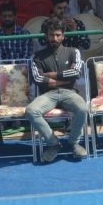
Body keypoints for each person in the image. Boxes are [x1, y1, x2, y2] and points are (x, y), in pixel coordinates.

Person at [27, 19, 88, 163]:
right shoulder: (37, 57)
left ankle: (73, 142)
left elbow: (75, 72)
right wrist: (62, 80)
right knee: (31, 111)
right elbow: (38, 78)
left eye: (57, 35)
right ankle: (53, 143)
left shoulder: (73, 51)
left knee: (83, 109)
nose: (54, 38)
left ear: (63, 36)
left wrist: (50, 75)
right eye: (51, 35)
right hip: (48, 94)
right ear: (46, 36)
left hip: (70, 92)